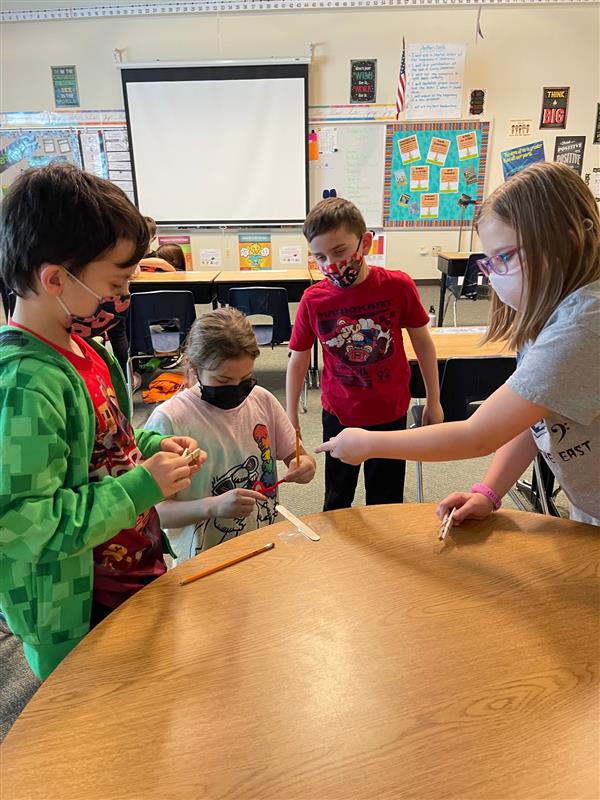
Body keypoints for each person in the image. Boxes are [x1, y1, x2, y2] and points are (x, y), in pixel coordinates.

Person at [0, 163, 207, 680]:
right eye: (116, 281)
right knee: (93, 722)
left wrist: (154, 448)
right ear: (55, 279)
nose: (125, 296)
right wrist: (141, 487)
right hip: (73, 613)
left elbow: (107, 445)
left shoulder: (90, 352)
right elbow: (21, 524)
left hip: (134, 576)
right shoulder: (25, 386)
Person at [316, 162, 600, 527]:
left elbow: (477, 435)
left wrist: (370, 444)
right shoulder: (548, 320)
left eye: (505, 257)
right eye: (491, 262)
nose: (495, 276)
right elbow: (534, 419)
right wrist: (489, 491)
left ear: (567, 241)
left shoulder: (582, 327)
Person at [286, 197, 443, 511]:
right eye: (320, 257)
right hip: (340, 413)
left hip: (390, 412)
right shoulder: (313, 300)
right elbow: (298, 359)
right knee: (337, 499)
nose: (331, 264)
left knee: (386, 503)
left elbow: (423, 344)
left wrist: (434, 400)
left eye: (339, 251)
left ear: (365, 243)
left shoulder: (397, 286)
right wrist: (291, 420)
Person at [145, 307, 316, 560]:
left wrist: (305, 466)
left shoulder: (262, 400)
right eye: (223, 381)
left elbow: (299, 456)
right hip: (204, 557)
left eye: (246, 378)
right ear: (193, 366)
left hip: (263, 544)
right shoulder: (170, 420)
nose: (236, 390)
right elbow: (157, 513)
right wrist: (213, 507)